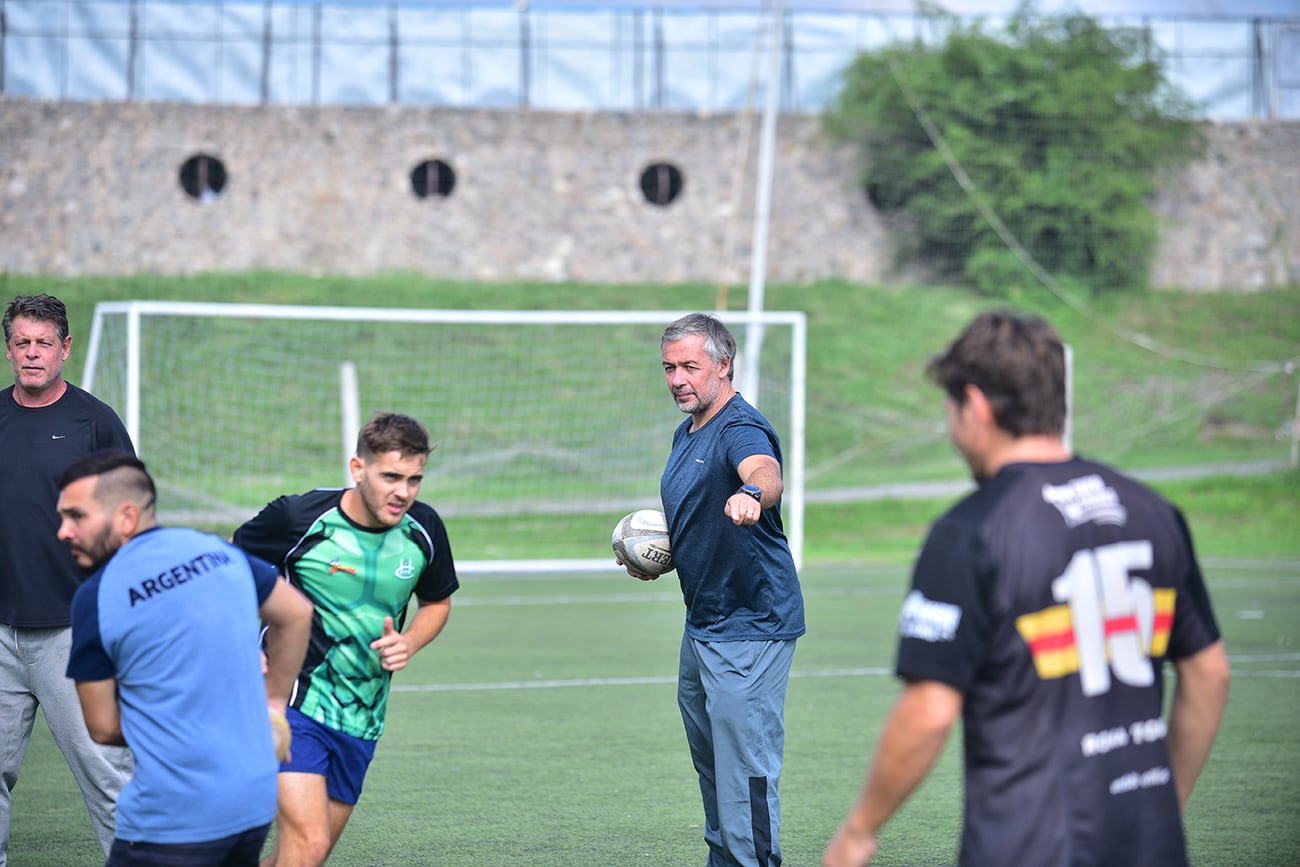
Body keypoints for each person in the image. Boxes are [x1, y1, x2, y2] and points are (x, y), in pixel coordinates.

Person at [822, 310, 1232, 867]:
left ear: (978, 407)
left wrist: (859, 831)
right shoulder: (1153, 511)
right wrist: (1166, 803)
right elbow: (1209, 672)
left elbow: (930, 709)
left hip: (1027, 846)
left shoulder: (971, 532)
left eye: (950, 407)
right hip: (1147, 843)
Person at [58, 450, 314, 866]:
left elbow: (103, 728)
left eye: (77, 517)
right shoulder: (216, 550)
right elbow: (296, 613)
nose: (63, 532)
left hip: (173, 822)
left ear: (126, 517)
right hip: (252, 803)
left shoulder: (96, 597)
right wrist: (272, 703)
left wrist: (181, 723)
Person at [232, 411, 459, 866]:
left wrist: (410, 642)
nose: (403, 492)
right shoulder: (298, 518)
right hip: (289, 704)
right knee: (308, 844)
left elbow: (437, 603)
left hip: (363, 717)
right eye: (391, 477)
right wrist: (241, 643)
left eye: (414, 480)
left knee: (302, 856)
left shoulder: (425, 530)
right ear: (358, 469)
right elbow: (227, 571)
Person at [623, 312, 805, 867]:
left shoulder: (739, 427)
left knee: (744, 768)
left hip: (751, 625)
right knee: (712, 763)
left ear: (724, 366)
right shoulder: (687, 431)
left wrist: (753, 491)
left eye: (690, 367)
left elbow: (766, 471)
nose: (678, 379)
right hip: (703, 623)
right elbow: (698, 519)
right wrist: (663, 557)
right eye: (669, 368)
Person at [0, 293, 135, 864]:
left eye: (43, 343)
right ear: (9, 348)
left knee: (111, 778)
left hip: (73, 636)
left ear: (65, 348)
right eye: (21, 343)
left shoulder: (95, 422)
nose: (32, 354)